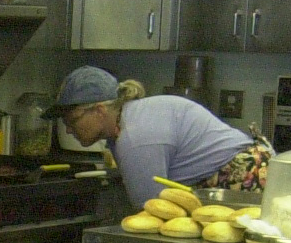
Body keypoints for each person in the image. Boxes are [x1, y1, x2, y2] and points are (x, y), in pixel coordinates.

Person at [48, 64, 270, 203]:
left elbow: (151, 213)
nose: (68, 129)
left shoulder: (134, 139)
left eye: (72, 120)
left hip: (241, 181)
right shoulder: (130, 120)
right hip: (249, 169)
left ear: (99, 110)